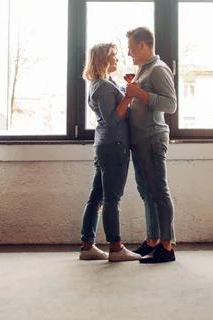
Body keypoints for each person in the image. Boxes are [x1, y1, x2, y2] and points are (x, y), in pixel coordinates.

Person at [79, 43, 141, 262]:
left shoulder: (101, 84)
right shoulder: (103, 86)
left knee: (96, 197)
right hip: (113, 146)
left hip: (105, 145)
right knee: (111, 198)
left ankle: (88, 246)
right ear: (103, 60)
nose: (117, 60)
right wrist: (128, 97)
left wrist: (127, 91)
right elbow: (113, 119)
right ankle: (116, 248)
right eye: (113, 57)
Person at [125, 26, 177, 264]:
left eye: (131, 48)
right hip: (140, 139)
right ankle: (153, 240)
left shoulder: (158, 69)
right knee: (146, 192)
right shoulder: (141, 70)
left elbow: (171, 104)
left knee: (158, 191)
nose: (129, 53)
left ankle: (167, 247)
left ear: (143, 45)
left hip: (153, 137)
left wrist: (141, 95)